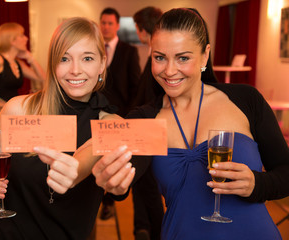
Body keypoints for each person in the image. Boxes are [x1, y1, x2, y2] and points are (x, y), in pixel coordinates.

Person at [93, 8, 289, 239]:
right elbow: (122, 176)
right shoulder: (146, 118)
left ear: (205, 55)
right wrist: (115, 186)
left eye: (183, 58)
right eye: (159, 58)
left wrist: (257, 184)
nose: (169, 71)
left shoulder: (245, 100)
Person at [0, 17, 129, 240]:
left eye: (87, 58)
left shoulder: (110, 125)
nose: (75, 70)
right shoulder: (18, 109)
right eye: (64, 58)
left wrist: (119, 187)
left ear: (102, 63)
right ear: (53, 64)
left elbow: (117, 183)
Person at [99, 7, 141, 220]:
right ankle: (96, 198)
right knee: (96, 156)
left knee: (114, 160)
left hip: (120, 115)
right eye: (103, 23)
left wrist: (128, 117)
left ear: (116, 26)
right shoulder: (94, 48)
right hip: (95, 114)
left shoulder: (128, 50)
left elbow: (135, 86)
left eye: (109, 23)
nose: (105, 27)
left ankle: (109, 201)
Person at [131, 6, 164, 240]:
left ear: (142, 30)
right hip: (146, 130)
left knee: (151, 190)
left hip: (152, 131)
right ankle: (143, 228)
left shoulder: (158, 55)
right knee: (144, 186)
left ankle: (158, 233)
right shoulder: (153, 52)